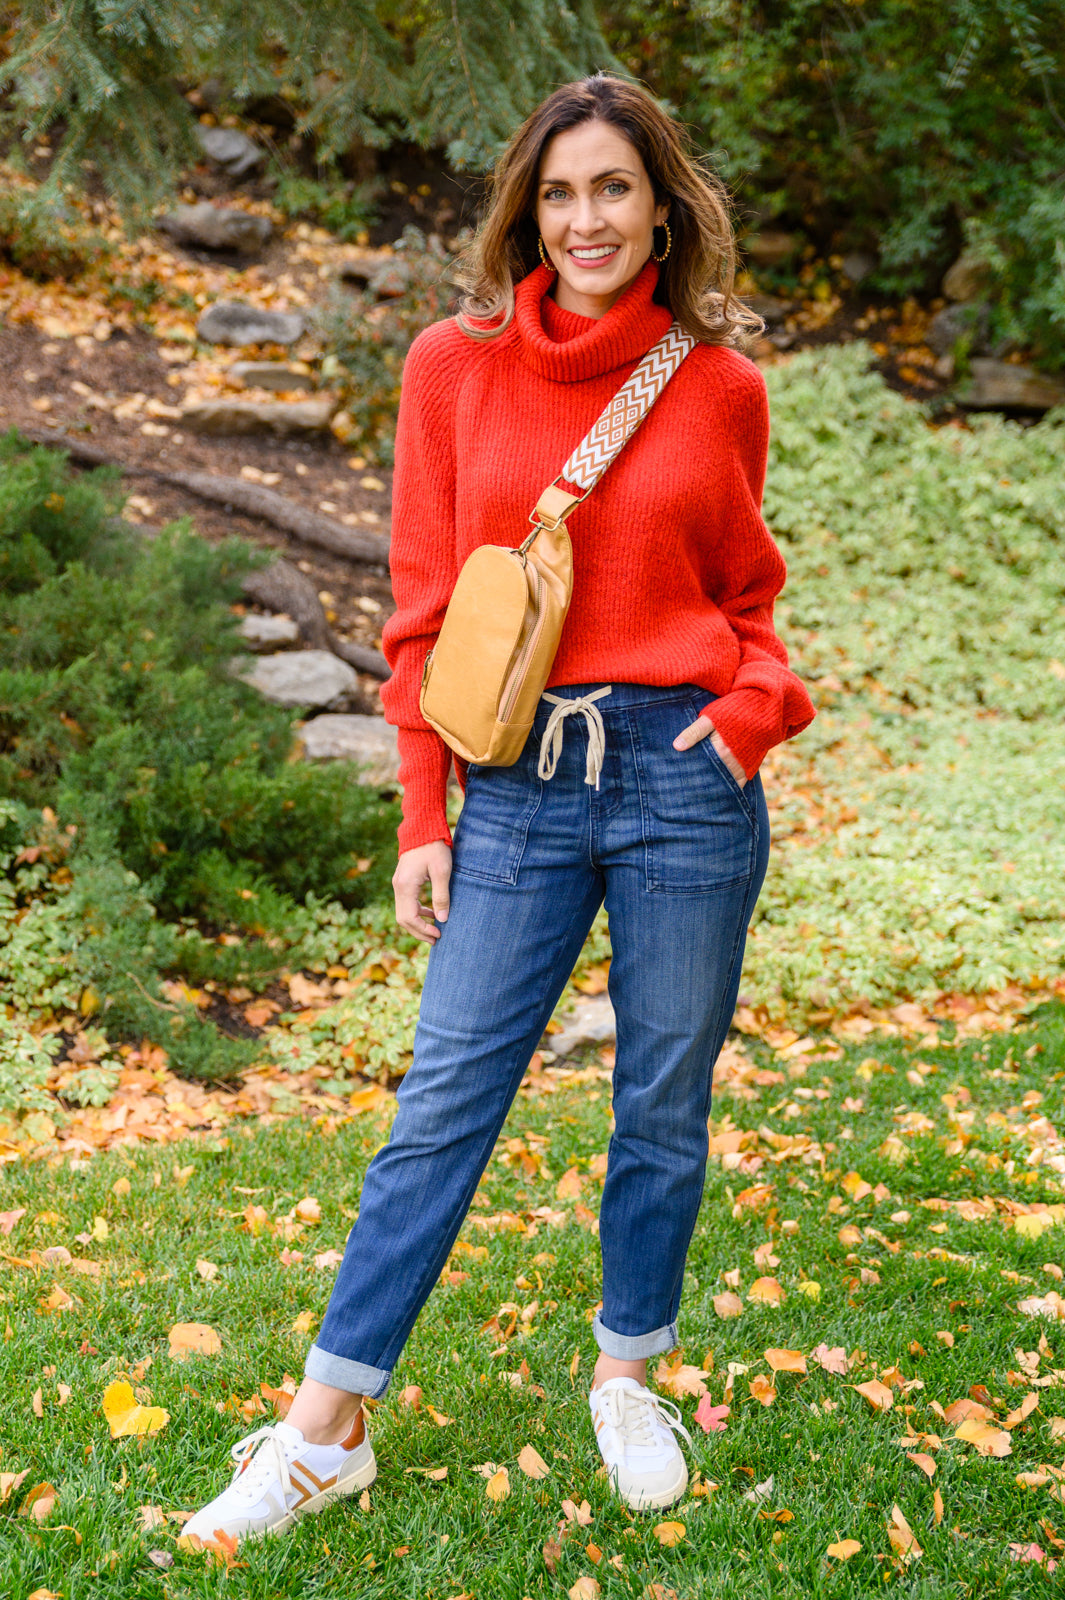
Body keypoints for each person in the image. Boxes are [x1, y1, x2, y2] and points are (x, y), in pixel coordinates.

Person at [182, 72, 815, 1550]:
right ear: (527, 213)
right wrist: (425, 811)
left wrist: (746, 719)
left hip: (683, 779)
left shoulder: (719, 385)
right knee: (443, 1103)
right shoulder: (449, 369)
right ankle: (323, 1431)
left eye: (613, 188)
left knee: (660, 1099)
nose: (586, 219)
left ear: (661, 208)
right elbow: (420, 611)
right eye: (559, 192)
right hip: (520, 785)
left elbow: (747, 596)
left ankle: (628, 1376)